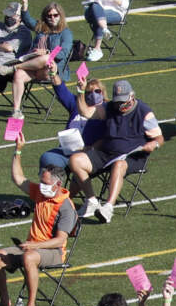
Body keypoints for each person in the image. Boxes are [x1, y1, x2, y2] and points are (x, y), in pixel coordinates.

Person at [0, 134, 74, 306]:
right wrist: (18, 150)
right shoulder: (41, 193)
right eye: (40, 182)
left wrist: (34, 247)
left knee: (28, 257)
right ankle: (5, 303)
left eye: (45, 183)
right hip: (31, 247)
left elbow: (60, 240)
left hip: (53, 251)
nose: (41, 186)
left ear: (58, 184)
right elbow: (18, 178)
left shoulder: (66, 207)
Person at [69, 79, 164, 225]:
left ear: (132, 96)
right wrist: (81, 92)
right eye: (118, 102)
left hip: (132, 156)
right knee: (75, 160)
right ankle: (92, 201)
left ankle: (108, 208)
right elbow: (86, 113)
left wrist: (154, 144)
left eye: (123, 102)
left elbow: (160, 137)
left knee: (119, 164)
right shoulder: (110, 107)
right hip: (106, 153)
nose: (120, 105)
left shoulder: (144, 112)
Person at [7, 0, 76, 112]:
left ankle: (14, 66)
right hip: (33, 68)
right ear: (45, 17)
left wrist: (47, 52)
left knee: (46, 58)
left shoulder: (65, 33)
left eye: (55, 15)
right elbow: (28, 20)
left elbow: (63, 52)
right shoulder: (42, 28)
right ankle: (16, 110)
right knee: (18, 75)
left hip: (52, 70)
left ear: (60, 16)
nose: (52, 18)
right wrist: (25, 4)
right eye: (49, 16)